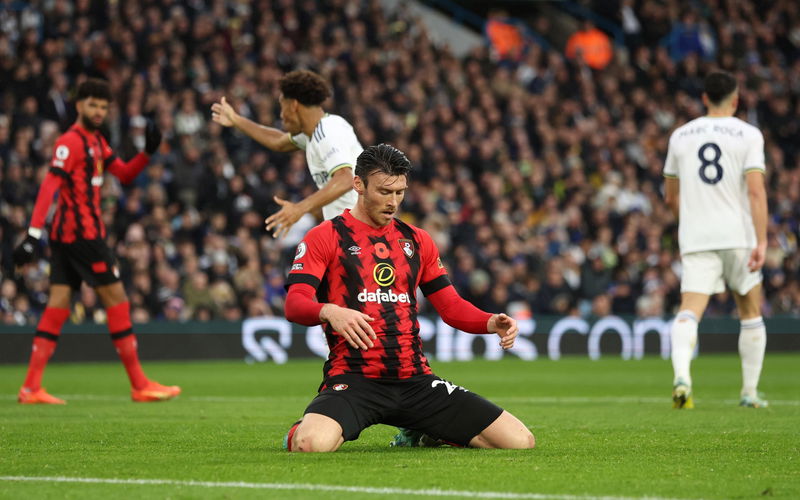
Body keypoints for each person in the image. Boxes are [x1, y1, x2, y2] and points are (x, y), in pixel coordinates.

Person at [281, 144, 535, 452]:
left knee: (519, 441)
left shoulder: (417, 240)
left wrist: (490, 321)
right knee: (312, 444)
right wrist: (330, 311)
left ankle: (427, 430)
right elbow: (295, 304)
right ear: (358, 185)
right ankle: (299, 430)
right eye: (385, 192)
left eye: (400, 192)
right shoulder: (325, 237)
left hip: (414, 380)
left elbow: (451, 306)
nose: (393, 202)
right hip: (355, 379)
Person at [12, 78, 181, 404]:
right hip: (84, 238)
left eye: (104, 106)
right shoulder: (70, 142)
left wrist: (146, 152)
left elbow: (125, 174)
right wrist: (32, 235)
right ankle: (139, 383)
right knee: (117, 300)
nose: (99, 111)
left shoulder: (97, 141)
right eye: (93, 105)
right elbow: (49, 185)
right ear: (79, 105)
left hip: (68, 239)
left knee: (57, 307)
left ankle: (31, 387)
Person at [663, 70, 768, 409]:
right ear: (736, 100)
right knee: (750, 311)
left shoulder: (681, 135)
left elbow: (670, 197)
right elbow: (755, 191)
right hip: (738, 236)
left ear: (705, 98)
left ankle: (682, 378)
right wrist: (762, 240)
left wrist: (689, 223)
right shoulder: (748, 134)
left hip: (697, 237)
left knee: (689, 311)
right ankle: (749, 393)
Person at [211, 69, 360, 238]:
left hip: (362, 233)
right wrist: (236, 120)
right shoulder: (314, 134)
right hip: (350, 232)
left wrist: (300, 208)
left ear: (294, 105)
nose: (281, 116)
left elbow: (346, 179)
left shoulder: (327, 131)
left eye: (282, 107)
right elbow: (278, 142)